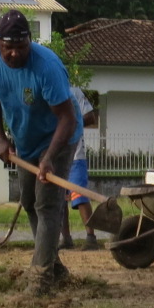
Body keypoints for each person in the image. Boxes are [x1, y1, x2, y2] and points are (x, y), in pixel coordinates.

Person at [0, 10, 80, 292]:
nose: (14, 54)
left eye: (21, 47)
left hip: (58, 136)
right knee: (29, 200)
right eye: (8, 48)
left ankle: (41, 276)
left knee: (47, 204)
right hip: (25, 137)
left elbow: (67, 119)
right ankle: (54, 266)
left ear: (29, 42)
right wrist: (1, 138)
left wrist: (48, 158)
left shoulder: (47, 67)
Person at [63, 84, 101, 251]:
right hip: (55, 156)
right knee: (58, 200)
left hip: (75, 155)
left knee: (80, 195)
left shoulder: (74, 92)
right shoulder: (44, 93)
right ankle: (65, 238)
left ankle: (91, 237)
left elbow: (91, 117)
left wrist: (70, 122)